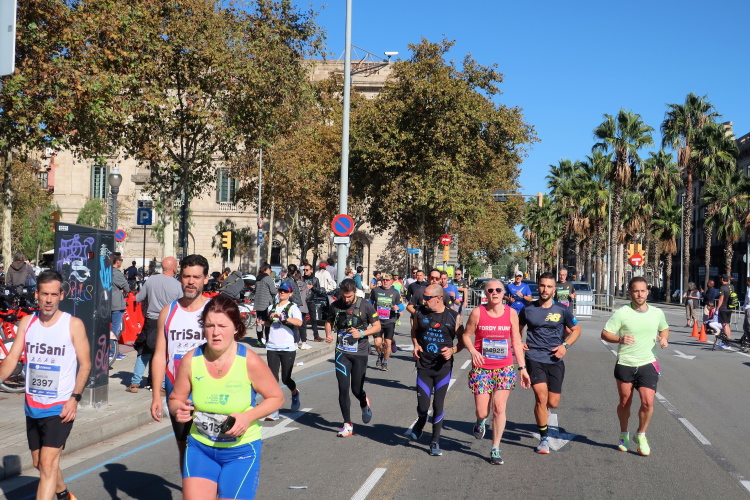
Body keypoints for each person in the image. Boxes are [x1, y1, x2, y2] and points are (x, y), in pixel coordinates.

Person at [169, 295, 283, 500]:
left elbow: (276, 398)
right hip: (200, 448)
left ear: (236, 328)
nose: (215, 332)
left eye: (222, 326)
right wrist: (179, 409)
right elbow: (175, 399)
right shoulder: (191, 360)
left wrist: (248, 417)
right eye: (209, 325)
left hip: (240, 452)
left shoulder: (249, 361)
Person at [0, 270, 91, 500]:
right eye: (44, 294)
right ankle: (64, 495)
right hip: (33, 405)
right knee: (39, 463)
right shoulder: (27, 323)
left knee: (48, 465)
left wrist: (75, 398)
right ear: (37, 295)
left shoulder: (73, 324)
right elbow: (12, 359)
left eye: (53, 294)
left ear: (61, 295)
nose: (49, 300)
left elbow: (86, 365)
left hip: (60, 406)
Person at [149, 254, 211, 472]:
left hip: (209, 391)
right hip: (177, 391)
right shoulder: (168, 312)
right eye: (186, 276)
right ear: (180, 278)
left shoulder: (215, 310)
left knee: (210, 447)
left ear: (205, 279)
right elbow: (160, 355)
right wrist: (156, 396)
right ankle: (190, 485)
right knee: (183, 446)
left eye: (196, 277)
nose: (191, 282)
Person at [462, 280, 530, 464]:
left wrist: (522, 368)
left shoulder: (511, 313)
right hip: (482, 368)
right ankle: (480, 422)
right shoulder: (478, 312)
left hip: (504, 368)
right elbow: (466, 335)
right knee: (482, 411)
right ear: (486, 293)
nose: (495, 292)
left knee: (499, 408)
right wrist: (473, 351)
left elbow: (516, 342)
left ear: (503, 293)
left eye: (498, 290)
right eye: (490, 290)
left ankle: (495, 448)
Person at [601, 276, 669, 456]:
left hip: (648, 362)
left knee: (648, 402)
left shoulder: (657, 313)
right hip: (626, 363)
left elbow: (664, 328)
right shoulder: (622, 313)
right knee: (625, 402)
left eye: (643, 291)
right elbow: (605, 334)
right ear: (630, 292)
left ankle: (641, 435)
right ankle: (623, 434)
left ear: (648, 292)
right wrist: (620, 339)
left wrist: (664, 338)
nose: (639, 294)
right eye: (636, 291)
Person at [519, 272, 581, 454]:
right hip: (534, 358)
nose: (545, 289)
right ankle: (544, 438)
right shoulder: (528, 309)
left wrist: (565, 346)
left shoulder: (562, 310)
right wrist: (519, 341)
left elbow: (577, 330)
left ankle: (544, 412)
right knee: (541, 397)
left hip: (555, 360)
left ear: (554, 290)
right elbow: (517, 328)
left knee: (552, 402)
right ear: (538, 287)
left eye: (549, 286)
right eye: (542, 285)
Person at [407, 284, 464, 456]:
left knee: (438, 404)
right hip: (424, 365)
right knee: (423, 406)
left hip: (443, 368)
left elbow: (463, 341)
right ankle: (421, 420)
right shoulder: (420, 313)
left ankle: (435, 441)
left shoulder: (454, 317)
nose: (423, 301)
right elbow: (414, 331)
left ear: (439, 298)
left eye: (427, 298)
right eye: (423, 297)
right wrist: (416, 345)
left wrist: (452, 350)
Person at [325, 278, 381, 437]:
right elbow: (328, 322)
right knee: (343, 388)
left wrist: (362, 333)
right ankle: (347, 424)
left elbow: (377, 326)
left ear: (355, 292)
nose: (346, 299)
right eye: (344, 296)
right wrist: (328, 334)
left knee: (356, 389)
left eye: (349, 296)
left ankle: (364, 402)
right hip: (342, 352)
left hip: (360, 353)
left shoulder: (365, 305)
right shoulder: (336, 305)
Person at [127, 257, 182, 392]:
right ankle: (161, 385)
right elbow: (181, 305)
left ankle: (135, 383)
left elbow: (139, 298)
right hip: (168, 321)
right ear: (174, 268)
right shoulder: (178, 285)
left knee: (144, 351)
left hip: (151, 321)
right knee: (164, 352)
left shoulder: (151, 280)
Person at [263, 282, 303, 419]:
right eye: (280, 290)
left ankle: (295, 393)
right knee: (273, 379)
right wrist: (262, 322)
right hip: (272, 346)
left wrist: (284, 318)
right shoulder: (271, 307)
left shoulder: (293, 308)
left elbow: (299, 322)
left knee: (286, 378)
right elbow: (268, 323)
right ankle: (274, 409)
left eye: (285, 291)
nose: (282, 293)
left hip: (287, 347)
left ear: (290, 293)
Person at [369, 273, 403, 371]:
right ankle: (380, 354)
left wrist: (398, 308)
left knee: (388, 343)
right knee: (377, 343)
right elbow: (370, 302)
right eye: (384, 280)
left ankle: (385, 362)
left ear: (391, 281)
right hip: (377, 321)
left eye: (387, 280)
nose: (385, 282)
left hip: (390, 321)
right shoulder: (375, 290)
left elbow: (401, 305)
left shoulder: (395, 292)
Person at [110, 253, 129, 360]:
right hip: (116, 304)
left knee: (108, 329)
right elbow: (127, 287)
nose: (121, 261)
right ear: (117, 261)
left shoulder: (106, 271)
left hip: (107, 303)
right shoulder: (116, 273)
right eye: (121, 259)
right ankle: (112, 352)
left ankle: (110, 350)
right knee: (115, 329)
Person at [253, 263, 277, 347]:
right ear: (267, 269)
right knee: (267, 322)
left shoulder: (258, 278)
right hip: (266, 304)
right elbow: (273, 291)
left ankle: (259, 340)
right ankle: (267, 340)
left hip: (258, 304)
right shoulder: (268, 278)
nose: (270, 272)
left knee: (259, 322)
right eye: (270, 270)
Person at [301, 264, 326, 342]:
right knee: (302, 319)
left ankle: (316, 336)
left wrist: (313, 287)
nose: (305, 271)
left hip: (311, 300)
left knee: (313, 319)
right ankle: (303, 337)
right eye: (304, 270)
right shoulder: (302, 279)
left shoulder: (315, 279)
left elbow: (319, 291)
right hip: (303, 301)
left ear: (311, 270)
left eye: (307, 270)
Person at [716, 273, 738, 345]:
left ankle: (726, 341)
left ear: (722, 279)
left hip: (723, 308)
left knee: (724, 325)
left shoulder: (722, 287)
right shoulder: (731, 286)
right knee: (727, 324)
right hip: (730, 307)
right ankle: (728, 339)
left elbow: (721, 299)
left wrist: (717, 308)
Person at [742, 277, 750, 344]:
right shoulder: (748, 289)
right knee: (745, 327)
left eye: (746, 281)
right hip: (747, 308)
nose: (746, 283)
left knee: (748, 326)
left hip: (749, 309)